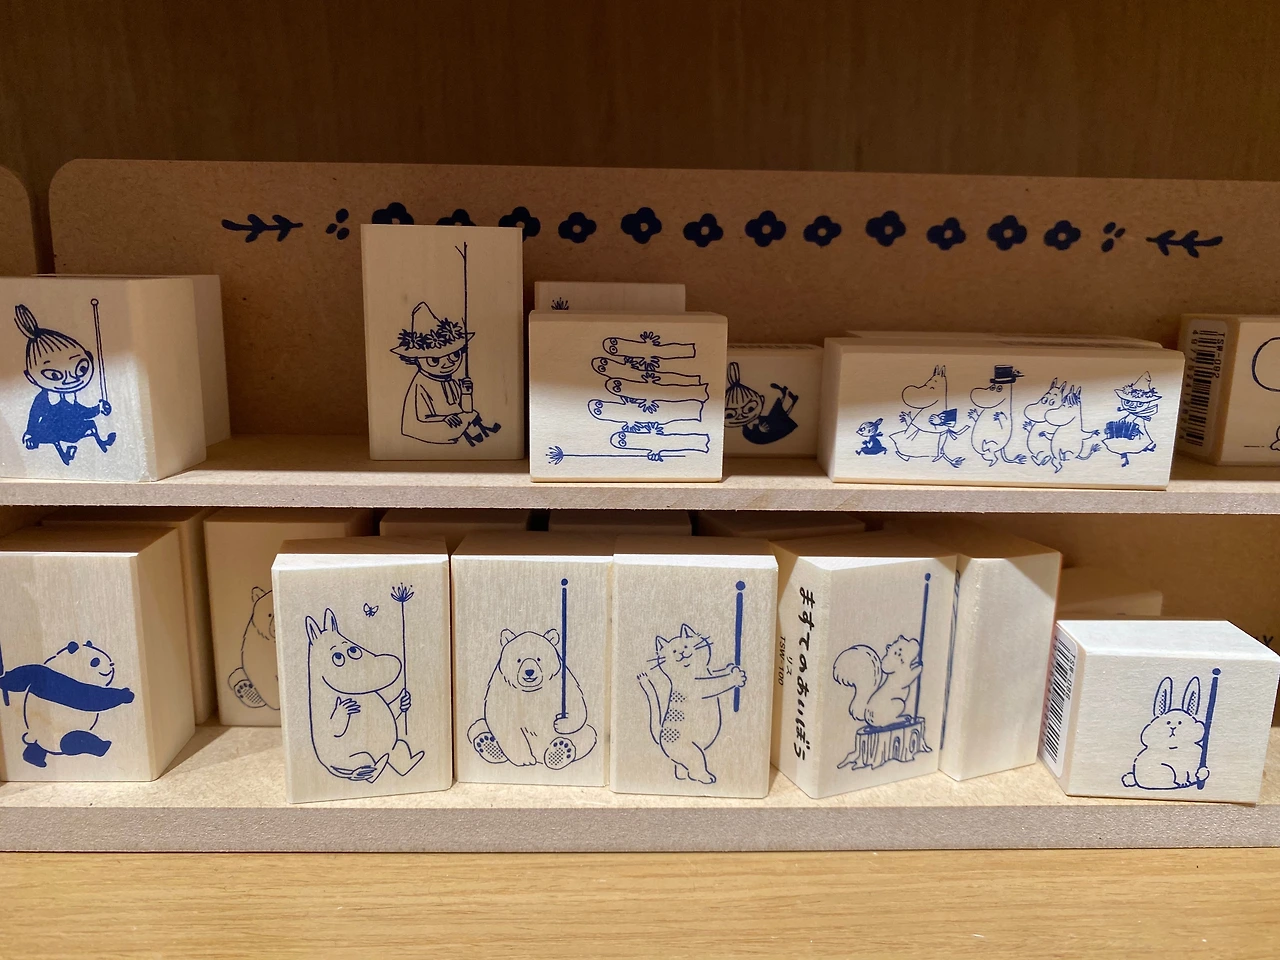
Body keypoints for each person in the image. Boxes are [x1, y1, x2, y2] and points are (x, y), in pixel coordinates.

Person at [13, 303, 114, 466]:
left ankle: (102, 443)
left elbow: (81, 411)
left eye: (81, 368)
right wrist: (30, 433)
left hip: (72, 428)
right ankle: (64, 455)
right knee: (53, 434)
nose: (70, 380)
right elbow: (34, 415)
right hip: (54, 430)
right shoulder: (44, 398)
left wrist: (99, 409)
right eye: (54, 375)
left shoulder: (70, 396)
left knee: (91, 425)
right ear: (31, 377)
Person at [391, 301, 499, 446]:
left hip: (452, 420)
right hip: (428, 426)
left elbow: (464, 409)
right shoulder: (421, 383)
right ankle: (471, 436)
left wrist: (466, 393)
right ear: (416, 359)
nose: (447, 363)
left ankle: (479, 433)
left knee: (470, 416)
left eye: (454, 355)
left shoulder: (450, 380)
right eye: (434, 360)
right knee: (457, 424)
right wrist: (444, 418)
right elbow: (422, 417)